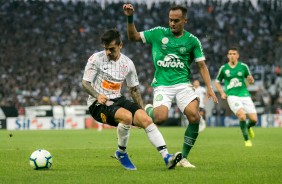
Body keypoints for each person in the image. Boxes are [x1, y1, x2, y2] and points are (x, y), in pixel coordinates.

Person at [123, 4, 218, 168]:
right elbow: (133, 37)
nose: (172, 23)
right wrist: (130, 17)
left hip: (183, 84)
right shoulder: (158, 33)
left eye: (176, 21)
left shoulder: (192, 41)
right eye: (170, 20)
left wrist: (209, 87)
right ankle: (148, 110)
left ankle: (183, 158)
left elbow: (202, 66)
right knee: (160, 118)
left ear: (185, 21)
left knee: (194, 116)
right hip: (162, 85)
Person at [82, 29, 182, 170]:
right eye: (106, 49)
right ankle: (121, 153)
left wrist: (141, 109)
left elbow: (134, 89)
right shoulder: (96, 59)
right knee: (127, 117)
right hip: (98, 103)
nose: (108, 52)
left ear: (120, 45)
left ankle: (167, 157)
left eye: (111, 49)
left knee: (146, 120)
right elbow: (85, 83)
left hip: (117, 99)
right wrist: (97, 95)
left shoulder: (128, 63)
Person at [215, 47, 257, 147]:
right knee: (242, 115)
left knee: (254, 120)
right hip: (232, 96)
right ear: (227, 56)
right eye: (230, 54)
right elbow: (217, 83)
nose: (232, 55)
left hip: (244, 94)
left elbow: (250, 80)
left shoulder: (243, 66)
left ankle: (248, 127)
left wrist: (251, 81)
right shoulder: (224, 68)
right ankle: (247, 140)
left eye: (234, 54)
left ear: (238, 55)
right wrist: (222, 93)